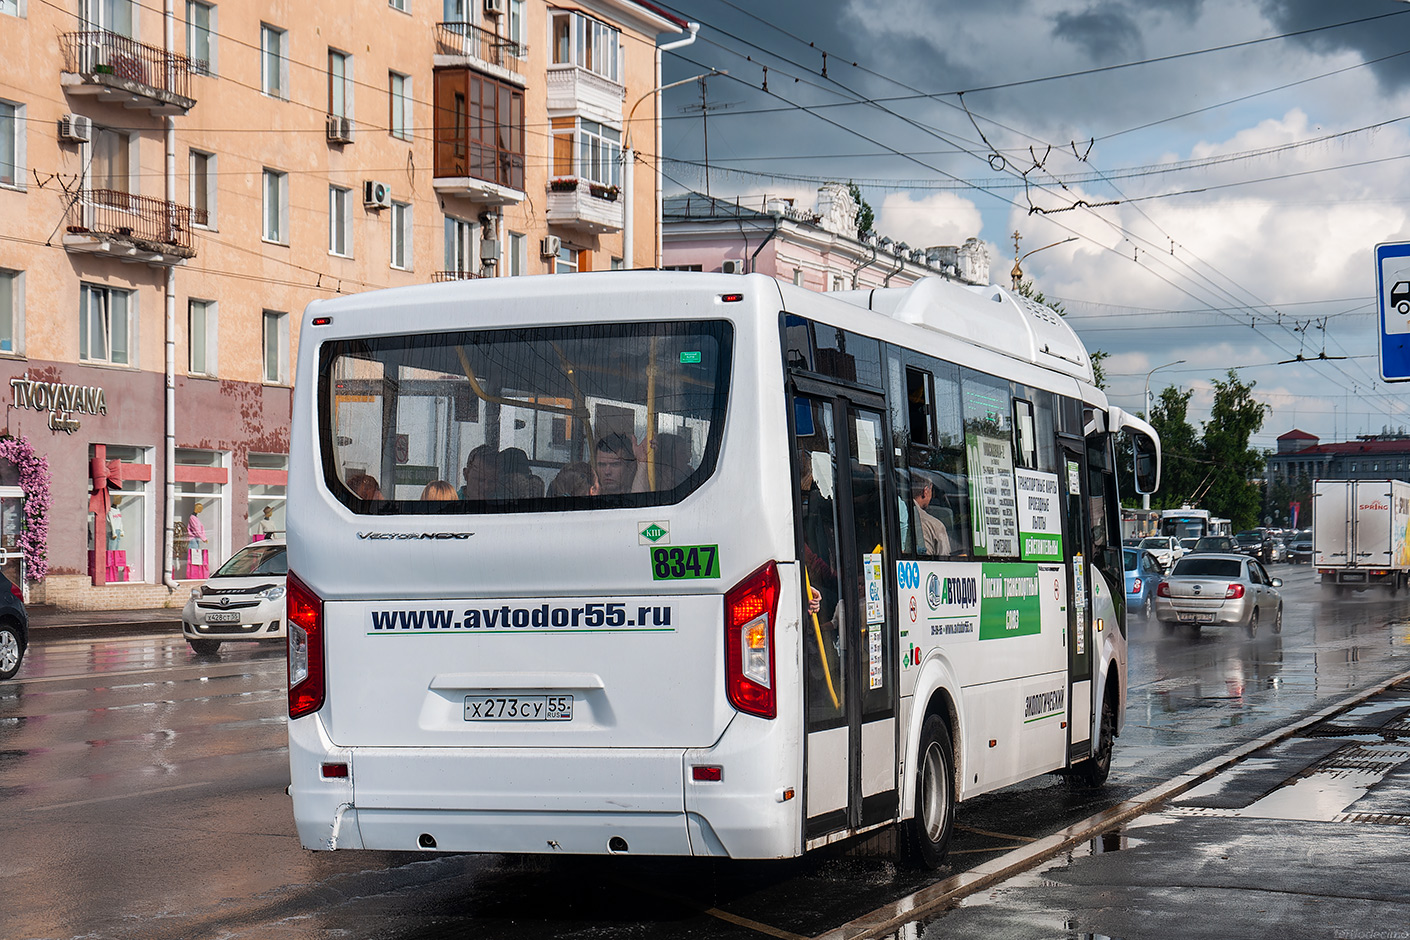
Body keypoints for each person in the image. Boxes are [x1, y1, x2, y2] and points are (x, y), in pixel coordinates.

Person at [912, 475, 951, 556]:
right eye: (932, 492)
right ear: (925, 491)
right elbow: (945, 561)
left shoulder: (897, 516)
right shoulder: (934, 525)